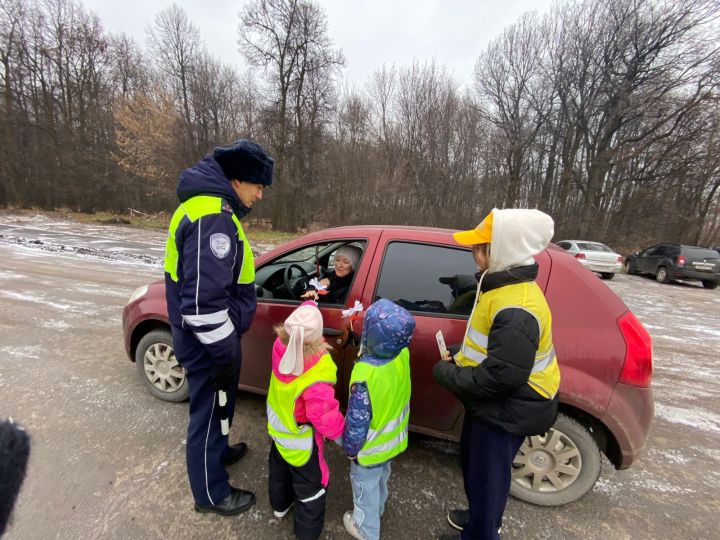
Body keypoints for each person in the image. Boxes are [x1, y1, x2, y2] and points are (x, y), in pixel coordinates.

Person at [433, 208, 561, 540]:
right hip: (498, 402)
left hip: (511, 405)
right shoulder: (500, 286)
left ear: (498, 251)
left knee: (487, 478)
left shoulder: (517, 306)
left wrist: (447, 374)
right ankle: (480, 520)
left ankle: (482, 531)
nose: (472, 253)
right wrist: (461, 357)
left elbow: (503, 376)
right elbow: (491, 348)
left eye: (478, 247)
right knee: (479, 471)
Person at [163, 139, 273, 515]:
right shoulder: (213, 216)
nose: (260, 195)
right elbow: (201, 304)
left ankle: (220, 452)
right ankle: (211, 494)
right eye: (258, 186)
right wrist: (225, 349)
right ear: (238, 180)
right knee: (207, 415)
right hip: (208, 342)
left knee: (218, 408)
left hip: (213, 339)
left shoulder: (214, 208)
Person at [266, 302, 345, 540]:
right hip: (302, 440)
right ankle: (306, 534)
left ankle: (280, 507)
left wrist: (309, 304)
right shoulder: (318, 368)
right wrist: (343, 434)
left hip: (278, 428)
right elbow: (323, 415)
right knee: (311, 489)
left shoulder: (279, 346)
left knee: (278, 472)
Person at [342, 299, 416, 540]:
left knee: (365, 488)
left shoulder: (365, 374)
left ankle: (365, 529)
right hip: (393, 441)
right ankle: (380, 508)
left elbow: (357, 420)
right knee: (382, 477)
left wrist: (351, 449)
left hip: (370, 449)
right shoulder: (402, 353)